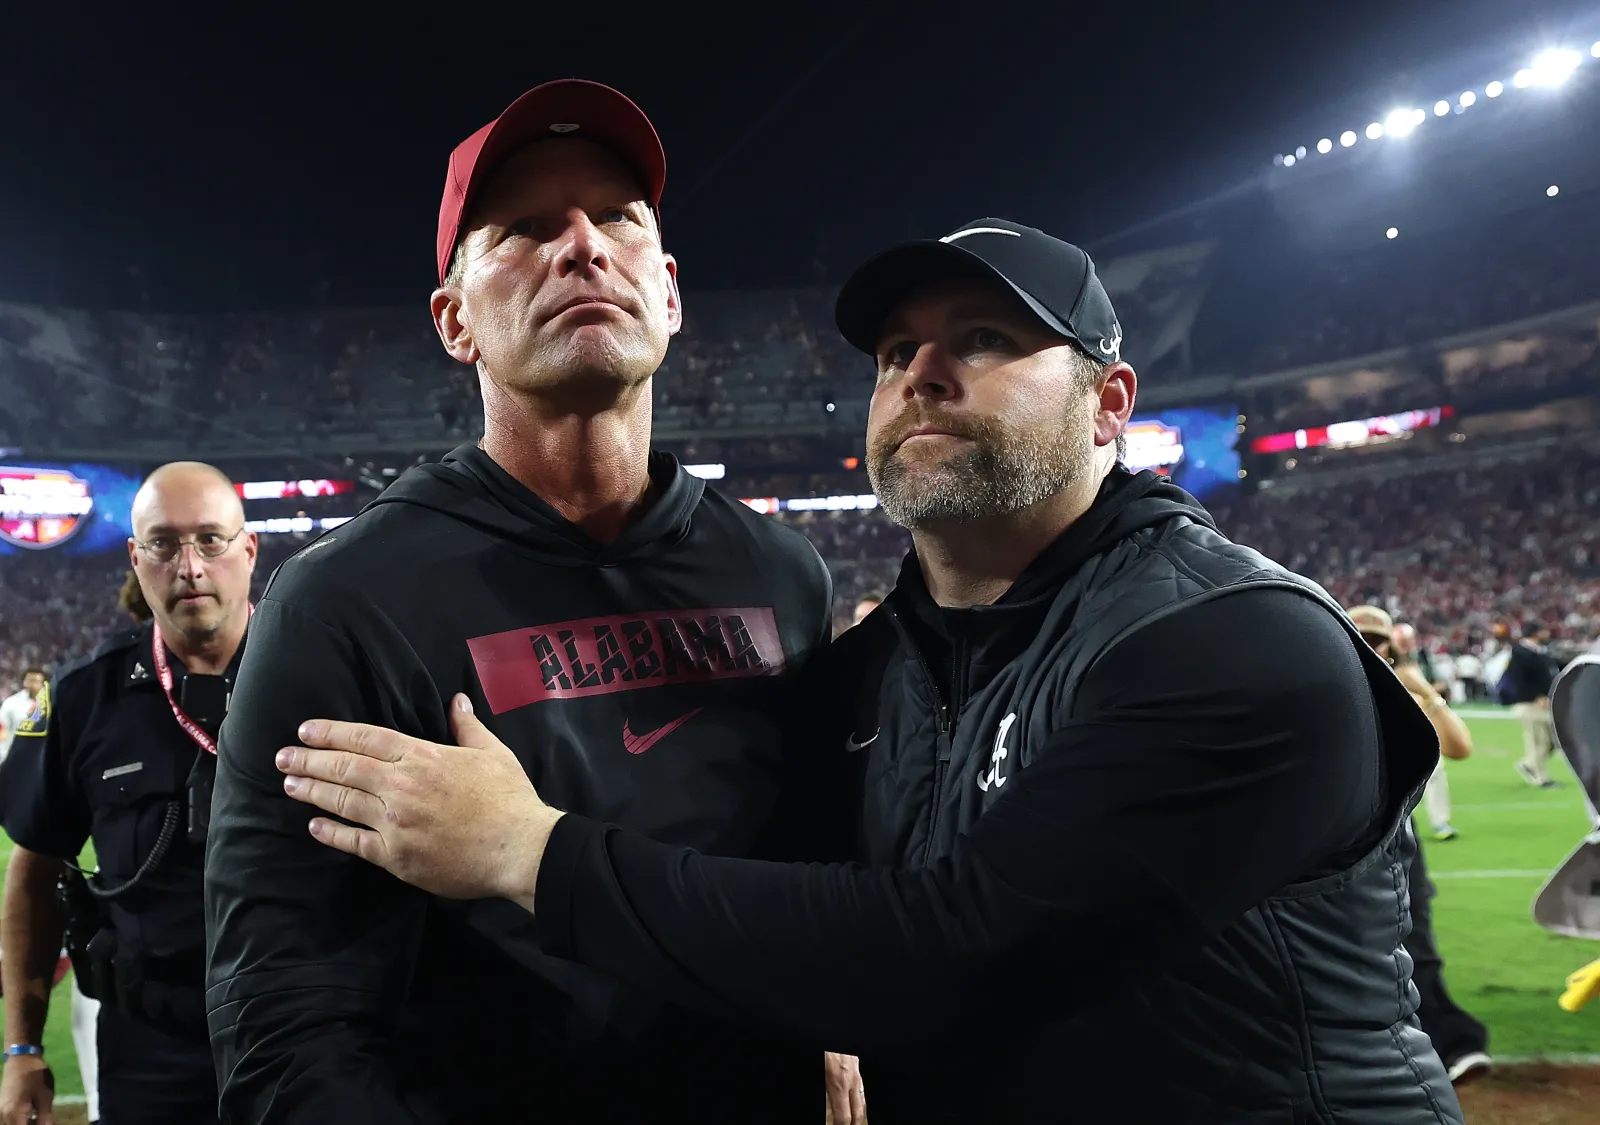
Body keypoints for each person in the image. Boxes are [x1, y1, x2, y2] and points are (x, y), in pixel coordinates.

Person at [275, 218, 1466, 1124]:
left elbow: (956, 954)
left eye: (986, 341)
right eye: (899, 349)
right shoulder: (865, 672)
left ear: (1110, 406)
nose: (923, 373)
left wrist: (527, 853)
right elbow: (784, 892)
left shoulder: (1234, 642)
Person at [204, 79, 858, 1125]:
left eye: (617, 218)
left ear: (672, 292)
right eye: (522, 228)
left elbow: (822, 880)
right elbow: (284, 1019)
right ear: (454, 320)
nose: (583, 246)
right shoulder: (343, 603)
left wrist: (836, 1031)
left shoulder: (781, 573)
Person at [0, 461, 255, 1125]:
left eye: (210, 540)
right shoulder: (83, 696)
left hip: (311, 1037)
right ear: (135, 557)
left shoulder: (325, 672)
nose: (190, 566)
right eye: (164, 544)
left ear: (248, 549)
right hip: (152, 1051)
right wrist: (22, 1044)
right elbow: (34, 871)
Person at [1348, 606, 1490, 1084]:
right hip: (1339, 834)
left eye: (1379, 638)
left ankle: (1450, 1044)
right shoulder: (1336, 677)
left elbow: (1460, 747)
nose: (1373, 646)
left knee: (1416, 943)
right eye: (1361, 635)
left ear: (1395, 644)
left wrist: (1423, 689)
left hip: (1395, 837)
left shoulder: (1404, 687)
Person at [1392, 621, 1466, 839]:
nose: (1406, 646)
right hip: (1396, 725)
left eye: (1408, 641)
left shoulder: (1421, 660)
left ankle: (1440, 822)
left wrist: (1425, 691)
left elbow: (1439, 683)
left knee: (1436, 771)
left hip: (1424, 722)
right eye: (1402, 642)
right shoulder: (1385, 661)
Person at [1505, 620, 1563, 787]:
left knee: (1553, 739)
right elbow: (1517, 680)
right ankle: (1541, 778)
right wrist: (1534, 696)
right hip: (1530, 703)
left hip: (1544, 702)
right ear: (1536, 632)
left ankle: (1529, 764)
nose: (1547, 634)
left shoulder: (1539, 652)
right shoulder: (1520, 653)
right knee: (1539, 740)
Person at [0, 669, 46, 767]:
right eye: (31, 680)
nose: (34, 685)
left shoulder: (49, 704)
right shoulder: (11, 703)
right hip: (12, 760)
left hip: (39, 762)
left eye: (38, 681)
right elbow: (1, 730)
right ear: (24, 682)